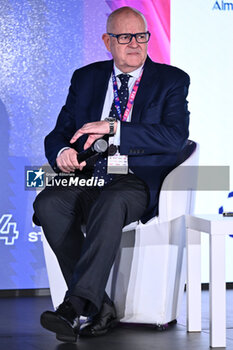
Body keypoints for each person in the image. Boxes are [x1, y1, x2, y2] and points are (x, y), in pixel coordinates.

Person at [33, 6, 190, 343]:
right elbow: (58, 133)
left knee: (112, 200)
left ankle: (73, 307)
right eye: (124, 37)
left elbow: (174, 137)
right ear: (107, 41)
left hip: (135, 178)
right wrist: (62, 153)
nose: (135, 44)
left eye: (141, 36)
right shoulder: (86, 78)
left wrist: (115, 128)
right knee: (49, 203)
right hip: (89, 176)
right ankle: (101, 306)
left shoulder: (171, 80)